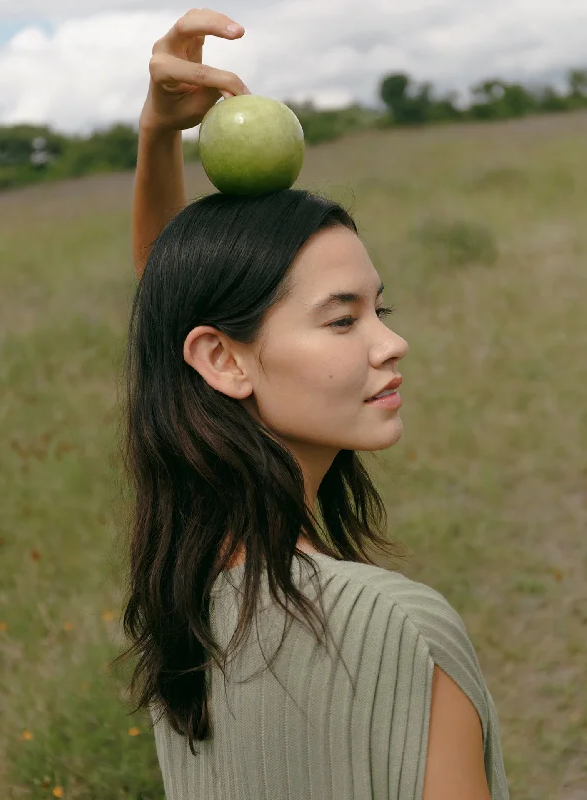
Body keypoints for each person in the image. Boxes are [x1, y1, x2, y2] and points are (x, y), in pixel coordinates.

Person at [115, 8, 510, 800]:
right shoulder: (399, 629)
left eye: (379, 311)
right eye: (342, 318)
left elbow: (179, 313)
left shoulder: (183, 609)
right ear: (222, 359)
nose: (389, 344)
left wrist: (157, 137)